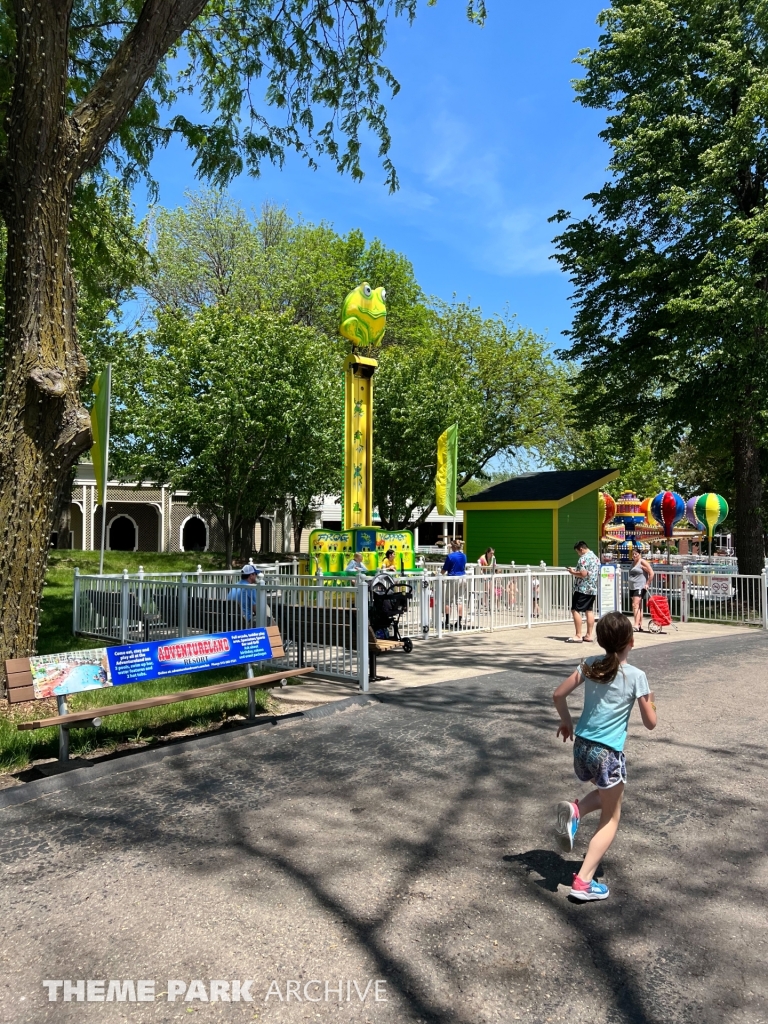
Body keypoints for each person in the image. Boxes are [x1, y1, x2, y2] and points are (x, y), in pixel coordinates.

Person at [552, 611, 657, 901]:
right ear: (631, 642)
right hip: (607, 754)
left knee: (610, 793)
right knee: (611, 817)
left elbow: (558, 695)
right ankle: (584, 881)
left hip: (582, 748)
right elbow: (651, 723)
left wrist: (567, 721)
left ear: (600, 640)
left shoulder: (588, 665)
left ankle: (575, 811)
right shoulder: (636, 676)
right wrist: (651, 700)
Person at [567, 540, 599, 643]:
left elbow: (583, 574)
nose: (578, 554)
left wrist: (573, 572)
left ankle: (578, 635)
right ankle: (589, 635)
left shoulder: (583, 558)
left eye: (577, 552)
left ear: (581, 549)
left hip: (582, 588)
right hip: (592, 588)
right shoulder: (595, 558)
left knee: (575, 609)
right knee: (589, 610)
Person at [442, 538, 467, 629]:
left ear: (453, 547)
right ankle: (459, 622)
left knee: (448, 600)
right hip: (463, 578)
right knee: (459, 601)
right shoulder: (464, 556)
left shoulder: (450, 556)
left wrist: (438, 575)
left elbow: (444, 570)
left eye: (452, 546)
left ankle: (447, 621)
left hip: (453, 578)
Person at [628, 547, 654, 631]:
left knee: (635, 605)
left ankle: (635, 625)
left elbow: (651, 573)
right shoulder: (633, 563)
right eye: (633, 554)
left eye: (636, 554)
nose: (634, 556)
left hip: (640, 586)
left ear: (640, 554)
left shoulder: (642, 561)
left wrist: (647, 584)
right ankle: (639, 624)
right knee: (638, 606)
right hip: (632, 586)